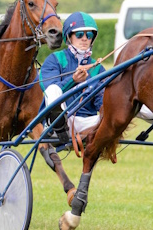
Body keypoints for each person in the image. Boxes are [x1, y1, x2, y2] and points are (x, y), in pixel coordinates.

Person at [39, 11, 106, 142]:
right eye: (80, 34)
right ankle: (58, 126)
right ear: (69, 36)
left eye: (89, 34)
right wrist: (73, 81)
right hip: (63, 119)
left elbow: (102, 101)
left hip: (88, 123)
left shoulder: (97, 68)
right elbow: (48, 88)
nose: (85, 38)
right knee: (52, 89)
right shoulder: (55, 59)